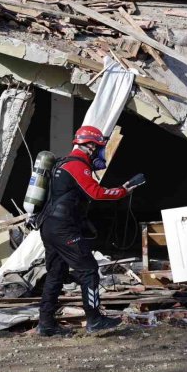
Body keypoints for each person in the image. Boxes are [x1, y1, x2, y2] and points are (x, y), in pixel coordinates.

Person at [37, 125, 134, 337]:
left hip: (48, 226)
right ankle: (95, 319)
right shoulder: (77, 166)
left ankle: (46, 324)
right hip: (64, 228)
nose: (100, 153)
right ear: (89, 146)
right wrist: (122, 191)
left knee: (55, 273)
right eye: (99, 147)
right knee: (88, 270)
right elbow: (96, 193)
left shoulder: (61, 163)